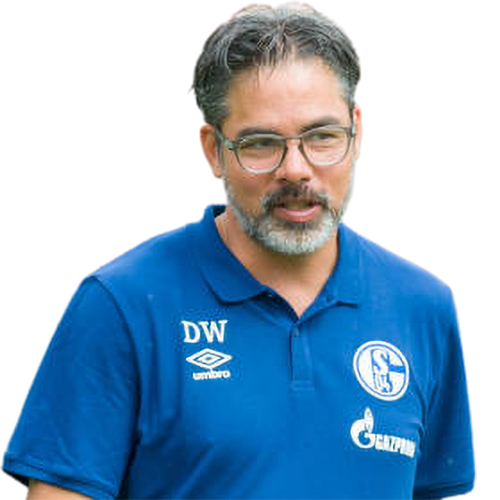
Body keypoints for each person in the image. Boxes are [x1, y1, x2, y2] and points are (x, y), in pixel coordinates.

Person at [2, 6, 474, 500]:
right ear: (214, 150)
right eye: (261, 143)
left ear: (356, 135)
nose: (296, 169)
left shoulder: (420, 309)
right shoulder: (122, 307)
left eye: (322, 137)